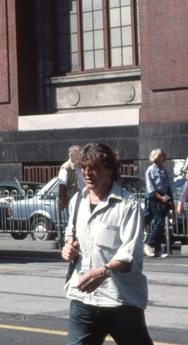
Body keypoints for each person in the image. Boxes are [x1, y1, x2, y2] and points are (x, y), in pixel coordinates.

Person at [61, 142, 152, 345]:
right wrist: (68, 248)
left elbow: (130, 253)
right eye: (83, 167)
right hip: (83, 299)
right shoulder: (78, 200)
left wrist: (104, 272)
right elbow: (71, 235)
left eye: (93, 167)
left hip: (120, 301)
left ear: (110, 169)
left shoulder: (128, 204)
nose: (87, 172)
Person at [144, 148, 173, 258]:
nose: (165, 156)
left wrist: (170, 200)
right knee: (159, 222)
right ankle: (150, 244)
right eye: (163, 155)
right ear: (157, 157)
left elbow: (169, 185)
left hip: (164, 199)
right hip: (154, 198)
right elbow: (150, 187)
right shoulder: (151, 170)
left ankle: (158, 249)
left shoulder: (165, 171)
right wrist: (160, 198)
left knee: (161, 225)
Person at [58, 145, 83, 211]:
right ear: (72, 155)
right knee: (73, 220)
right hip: (72, 201)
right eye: (78, 155)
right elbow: (62, 186)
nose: (80, 157)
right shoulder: (66, 168)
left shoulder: (80, 167)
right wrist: (62, 201)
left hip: (83, 200)